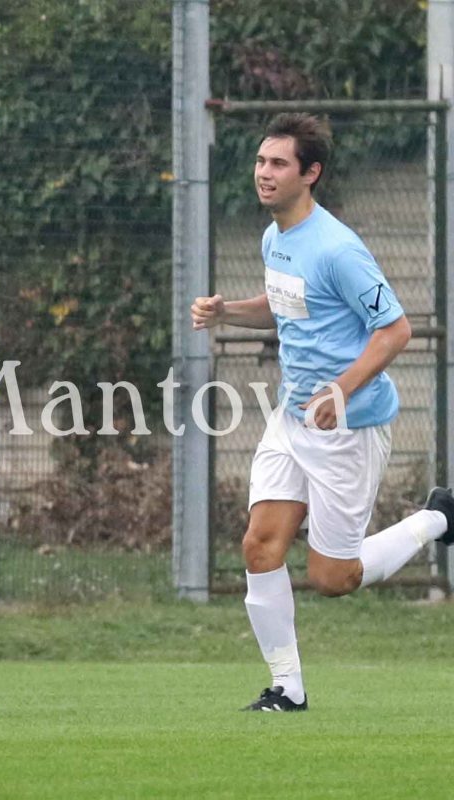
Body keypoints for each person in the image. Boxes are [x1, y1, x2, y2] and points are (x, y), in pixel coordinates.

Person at [191, 112, 454, 712]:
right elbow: (284, 305)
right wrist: (227, 311)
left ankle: (438, 518)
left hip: (349, 428)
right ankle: (287, 689)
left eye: (278, 164)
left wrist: (340, 389)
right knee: (260, 545)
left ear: (310, 174)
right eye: (261, 161)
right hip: (292, 418)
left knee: (333, 580)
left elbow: (395, 329)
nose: (264, 173)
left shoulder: (339, 249)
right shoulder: (275, 238)